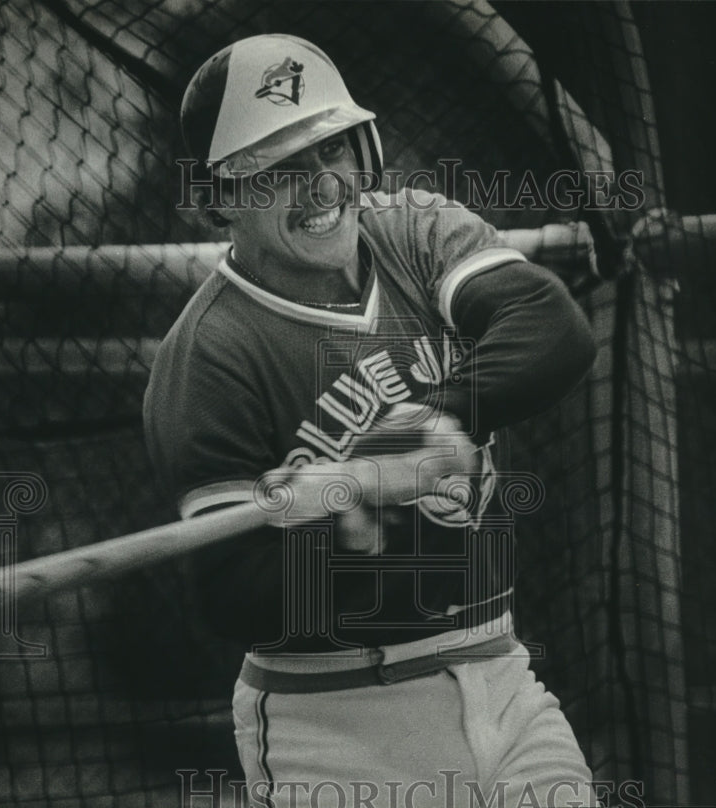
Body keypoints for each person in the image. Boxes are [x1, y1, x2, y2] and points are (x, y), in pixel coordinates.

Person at [144, 33, 599, 808]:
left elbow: (551, 324)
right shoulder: (207, 357)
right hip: (336, 718)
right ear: (219, 198)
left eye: (331, 149)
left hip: (499, 671)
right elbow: (230, 595)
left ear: (366, 149)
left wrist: (439, 416)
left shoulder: (410, 229)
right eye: (279, 169)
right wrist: (350, 533)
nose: (322, 186)